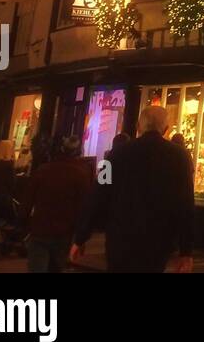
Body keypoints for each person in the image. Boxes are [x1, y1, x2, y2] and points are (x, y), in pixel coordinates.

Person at [71, 105, 195, 273]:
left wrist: (81, 237)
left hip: (121, 237)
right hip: (158, 240)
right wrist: (186, 250)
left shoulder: (116, 154)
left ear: (138, 127)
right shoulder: (180, 157)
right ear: (166, 129)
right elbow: (186, 203)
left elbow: (98, 195)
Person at [26, 136, 92, 273]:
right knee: (56, 267)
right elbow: (83, 207)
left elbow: (28, 199)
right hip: (64, 231)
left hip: (40, 227)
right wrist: (81, 235)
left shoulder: (43, 170)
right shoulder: (81, 174)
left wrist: (24, 222)